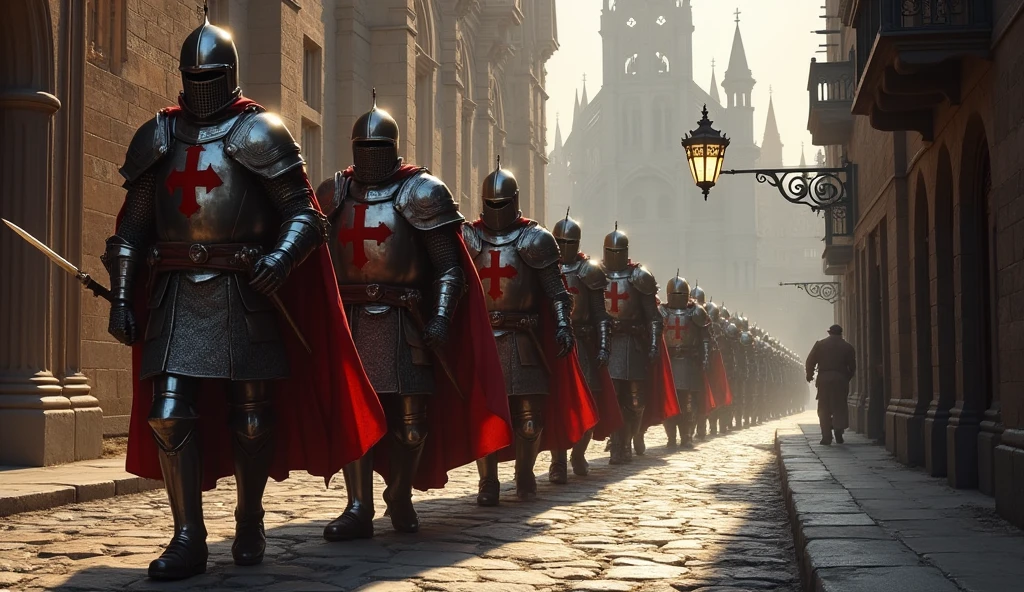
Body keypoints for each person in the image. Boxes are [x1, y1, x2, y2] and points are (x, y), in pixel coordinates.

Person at [105, 14, 386, 580]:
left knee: (252, 419)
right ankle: (187, 535)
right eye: (193, 74)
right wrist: (120, 298)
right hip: (177, 295)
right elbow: (132, 231)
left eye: (209, 73)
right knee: (168, 415)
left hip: (245, 293)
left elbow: (305, 217)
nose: (200, 83)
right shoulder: (158, 134)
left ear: (228, 73)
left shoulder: (259, 131)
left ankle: (251, 514)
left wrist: (280, 259)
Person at [316, 94, 513, 541]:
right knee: (355, 414)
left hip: (405, 321)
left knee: (412, 423)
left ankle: (400, 493)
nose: (368, 158)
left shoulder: (421, 191)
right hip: (352, 320)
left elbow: (448, 267)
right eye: (361, 149)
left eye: (375, 149)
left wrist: (441, 315)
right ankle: (358, 505)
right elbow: (319, 260)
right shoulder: (335, 193)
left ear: (391, 148)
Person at [464, 159, 598, 503]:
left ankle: (525, 475)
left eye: (501, 203)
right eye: (490, 203)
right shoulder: (468, 236)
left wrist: (563, 326)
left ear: (514, 201)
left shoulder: (535, 239)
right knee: (486, 415)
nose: (496, 210)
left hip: (525, 339)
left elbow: (555, 291)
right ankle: (488, 482)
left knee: (529, 419)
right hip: (484, 342)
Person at [549, 211, 622, 482]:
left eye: (569, 242)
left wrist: (603, 346)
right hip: (555, 343)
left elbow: (599, 314)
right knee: (557, 404)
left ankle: (578, 453)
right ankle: (557, 463)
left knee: (588, 402)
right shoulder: (545, 267)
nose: (564, 247)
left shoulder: (588, 271)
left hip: (583, 344)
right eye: (560, 241)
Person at [600, 225, 678, 463]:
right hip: (608, 343)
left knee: (635, 401)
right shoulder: (595, 274)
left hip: (634, 345)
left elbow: (653, 318)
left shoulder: (639, 276)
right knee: (612, 397)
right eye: (610, 251)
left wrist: (654, 345)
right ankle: (617, 443)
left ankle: (628, 439)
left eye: (618, 250)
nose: (614, 255)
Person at [660, 275, 714, 448]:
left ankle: (687, 436)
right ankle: (670, 437)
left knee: (689, 403)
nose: (677, 296)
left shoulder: (696, 312)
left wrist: (705, 359)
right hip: (668, 362)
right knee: (669, 400)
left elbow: (705, 338)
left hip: (690, 362)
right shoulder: (661, 312)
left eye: (680, 293)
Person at [805, 324, 857, 445]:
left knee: (824, 408)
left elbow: (810, 361)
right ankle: (838, 431)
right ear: (840, 334)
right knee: (839, 406)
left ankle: (826, 436)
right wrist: (845, 378)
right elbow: (852, 367)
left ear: (829, 333)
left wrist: (810, 375)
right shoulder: (847, 347)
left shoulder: (820, 345)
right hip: (840, 380)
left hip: (824, 379)